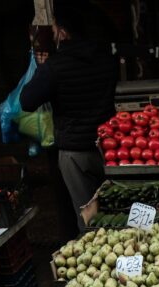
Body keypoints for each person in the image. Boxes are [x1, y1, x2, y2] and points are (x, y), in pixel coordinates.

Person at [20, 1, 117, 232]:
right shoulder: (105, 58)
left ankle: (97, 258)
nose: (53, 33)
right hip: (110, 148)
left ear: (62, 31)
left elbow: (27, 101)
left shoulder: (55, 66)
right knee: (116, 210)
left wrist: (43, 71)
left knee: (87, 215)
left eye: (54, 29)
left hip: (75, 153)